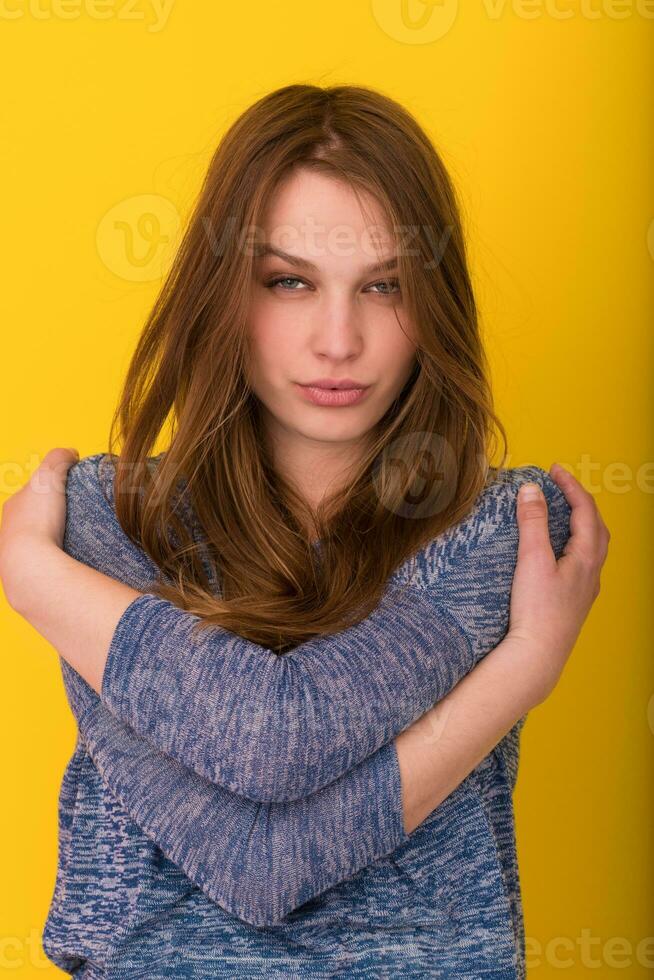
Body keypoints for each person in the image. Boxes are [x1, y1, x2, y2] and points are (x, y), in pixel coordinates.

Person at [0, 83, 609, 979]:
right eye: (289, 281)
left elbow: (267, 827)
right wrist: (523, 672)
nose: (338, 339)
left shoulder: (502, 527)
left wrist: (32, 578)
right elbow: (257, 857)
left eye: (385, 285)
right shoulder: (108, 518)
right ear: (222, 292)